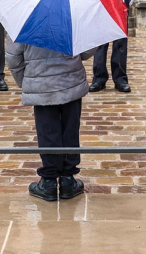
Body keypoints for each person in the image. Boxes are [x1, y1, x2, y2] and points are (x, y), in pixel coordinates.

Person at [6, 36, 95, 201]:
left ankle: (49, 182)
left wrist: (27, 82)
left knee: (47, 131)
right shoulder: (71, 18)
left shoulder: (25, 20)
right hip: (71, 82)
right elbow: (86, 51)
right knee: (70, 130)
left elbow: (13, 59)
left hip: (42, 85)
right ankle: (68, 179)